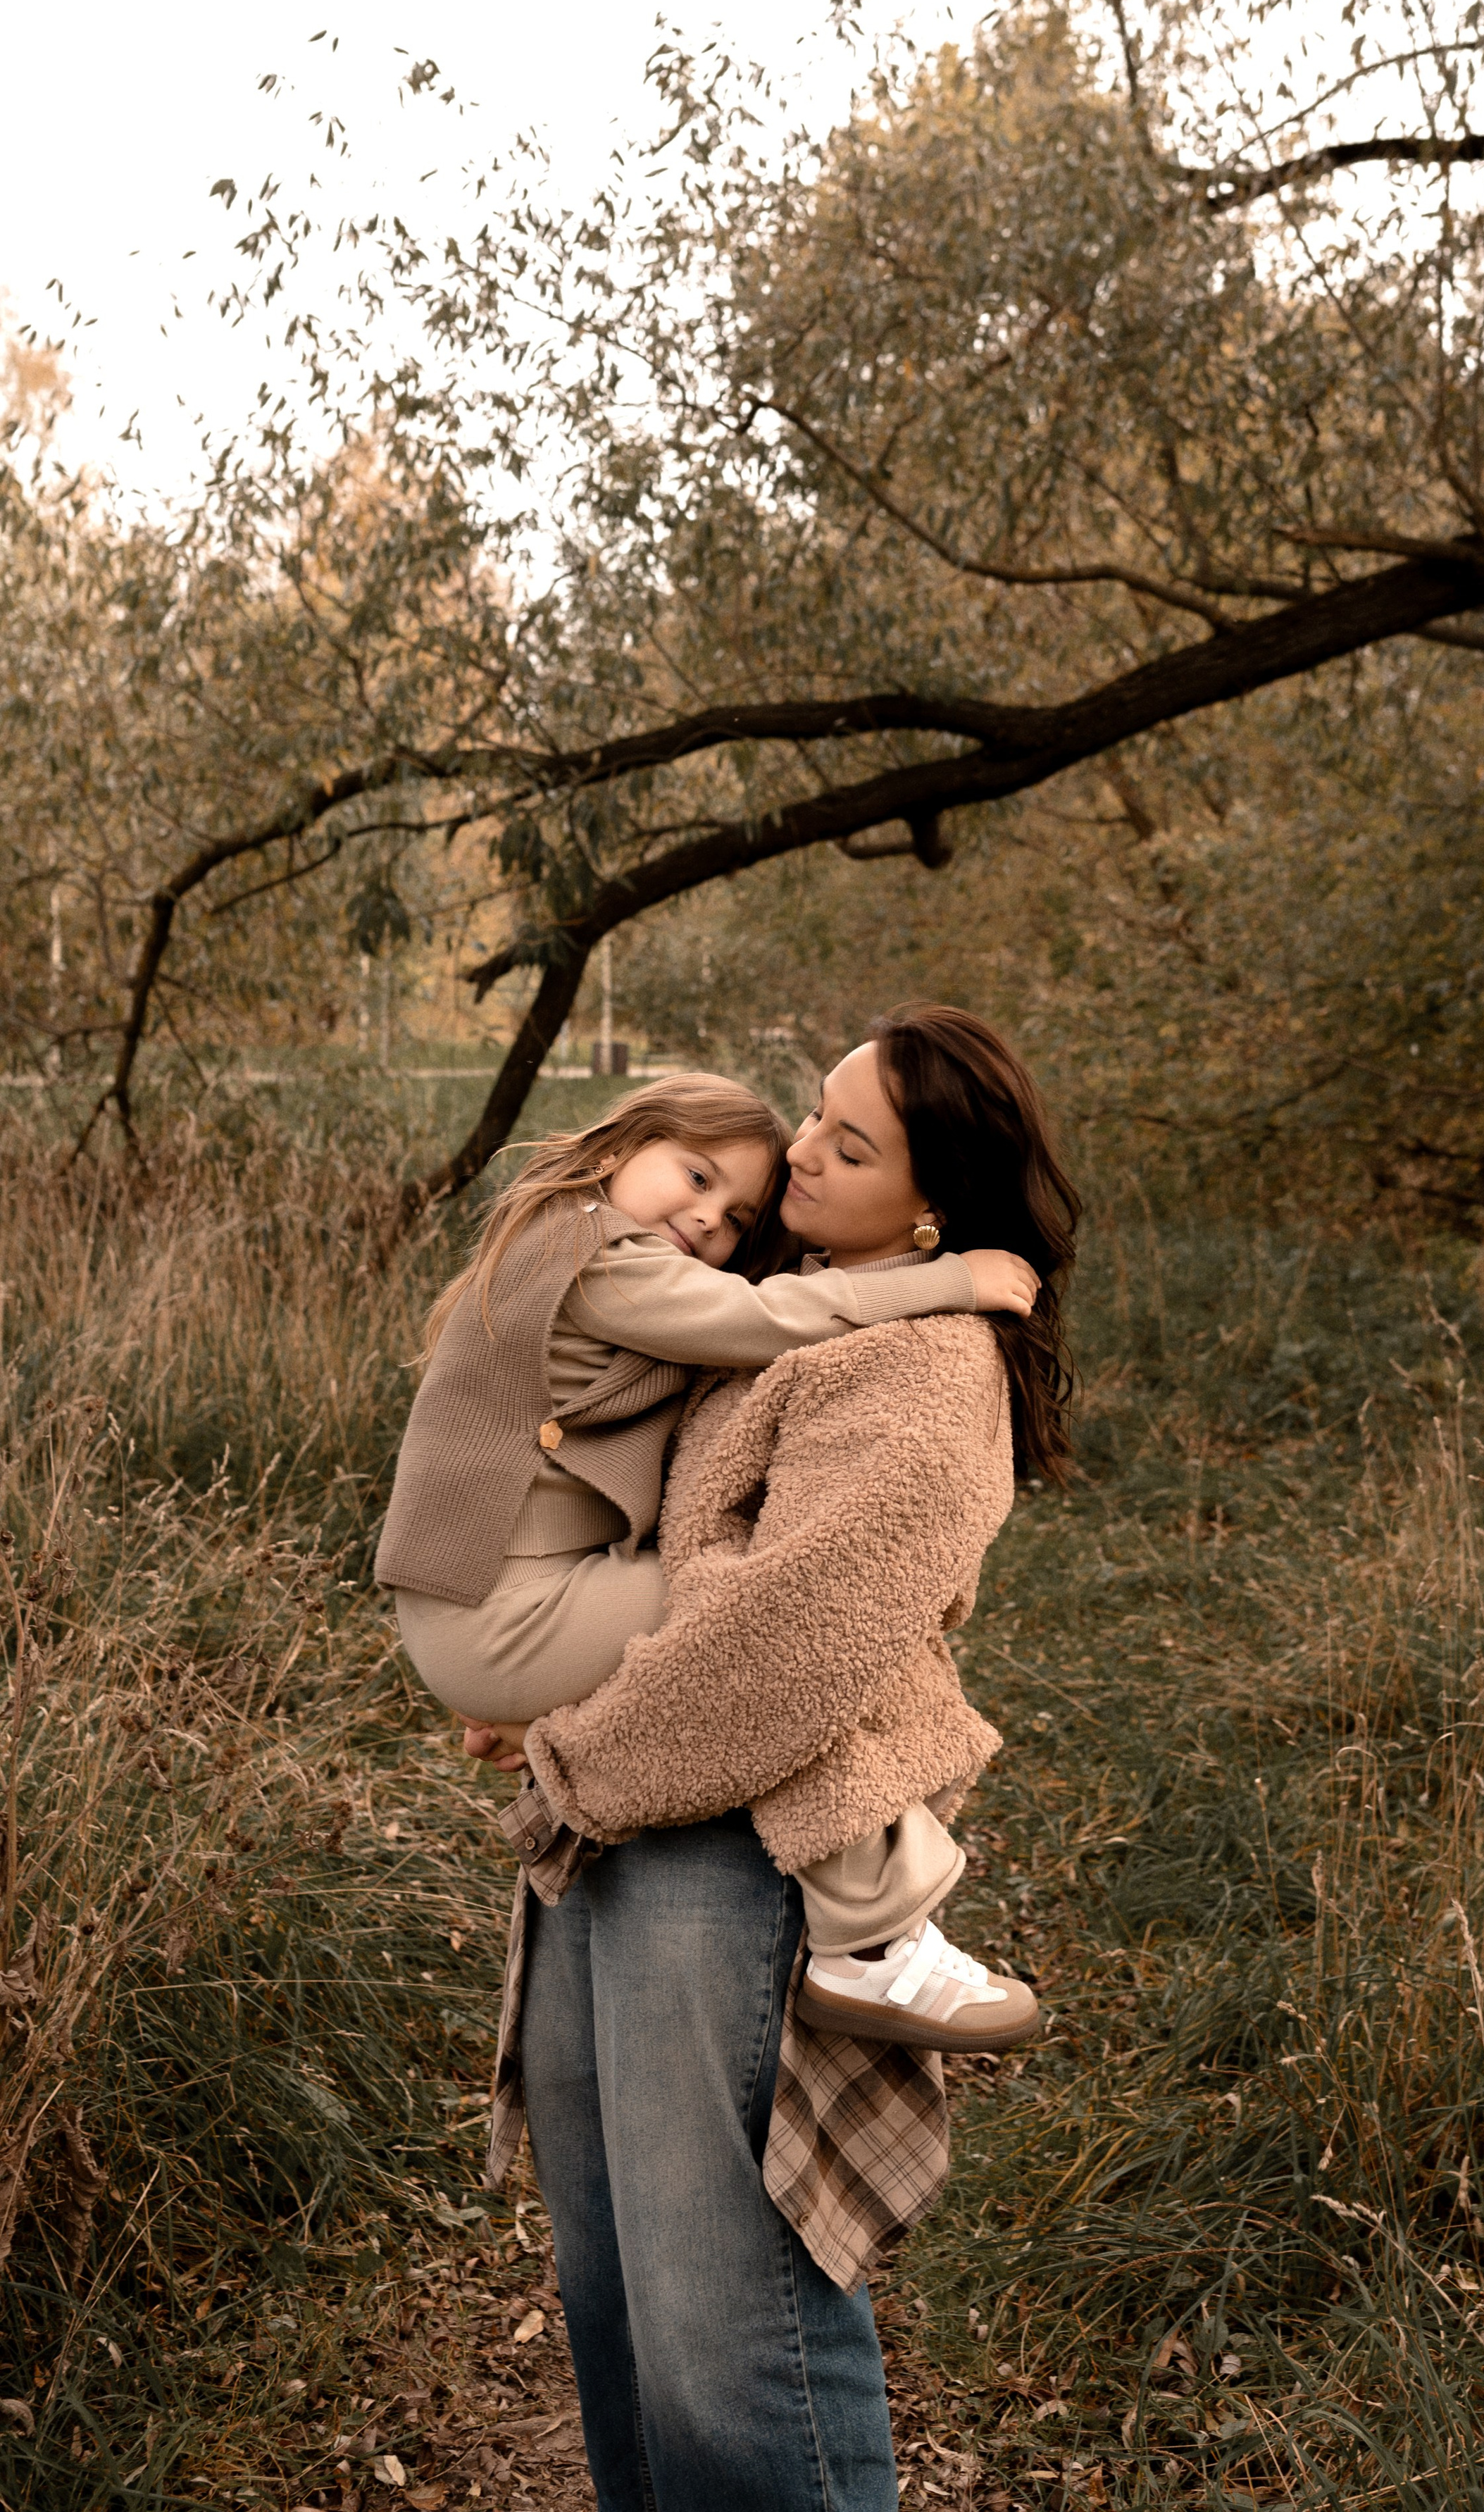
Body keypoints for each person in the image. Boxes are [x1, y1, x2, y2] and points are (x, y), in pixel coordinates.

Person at [466, 1005, 1080, 2512]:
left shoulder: (932, 1366)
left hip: (725, 1855)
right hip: (620, 1822)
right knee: (615, 2300)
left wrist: (570, 1741)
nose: (799, 1149)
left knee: (727, 2332)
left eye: (846, 1144)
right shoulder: (791, 1300)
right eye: (816, 1112)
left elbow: (781, 1643)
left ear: (929, 1204)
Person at [376, 1069, 1042, 2048]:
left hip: (491, 1611)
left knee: (778, 1612)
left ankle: (874, 1922)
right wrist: (950, 1280)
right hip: (506, 1614)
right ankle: (874, 1942)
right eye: (691, 1176)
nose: (705, 1219)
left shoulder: (580, 1247)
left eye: (733, 1215)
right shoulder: (593, 1251)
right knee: (781, 1619)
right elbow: (761, 1322)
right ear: (615, 1152)